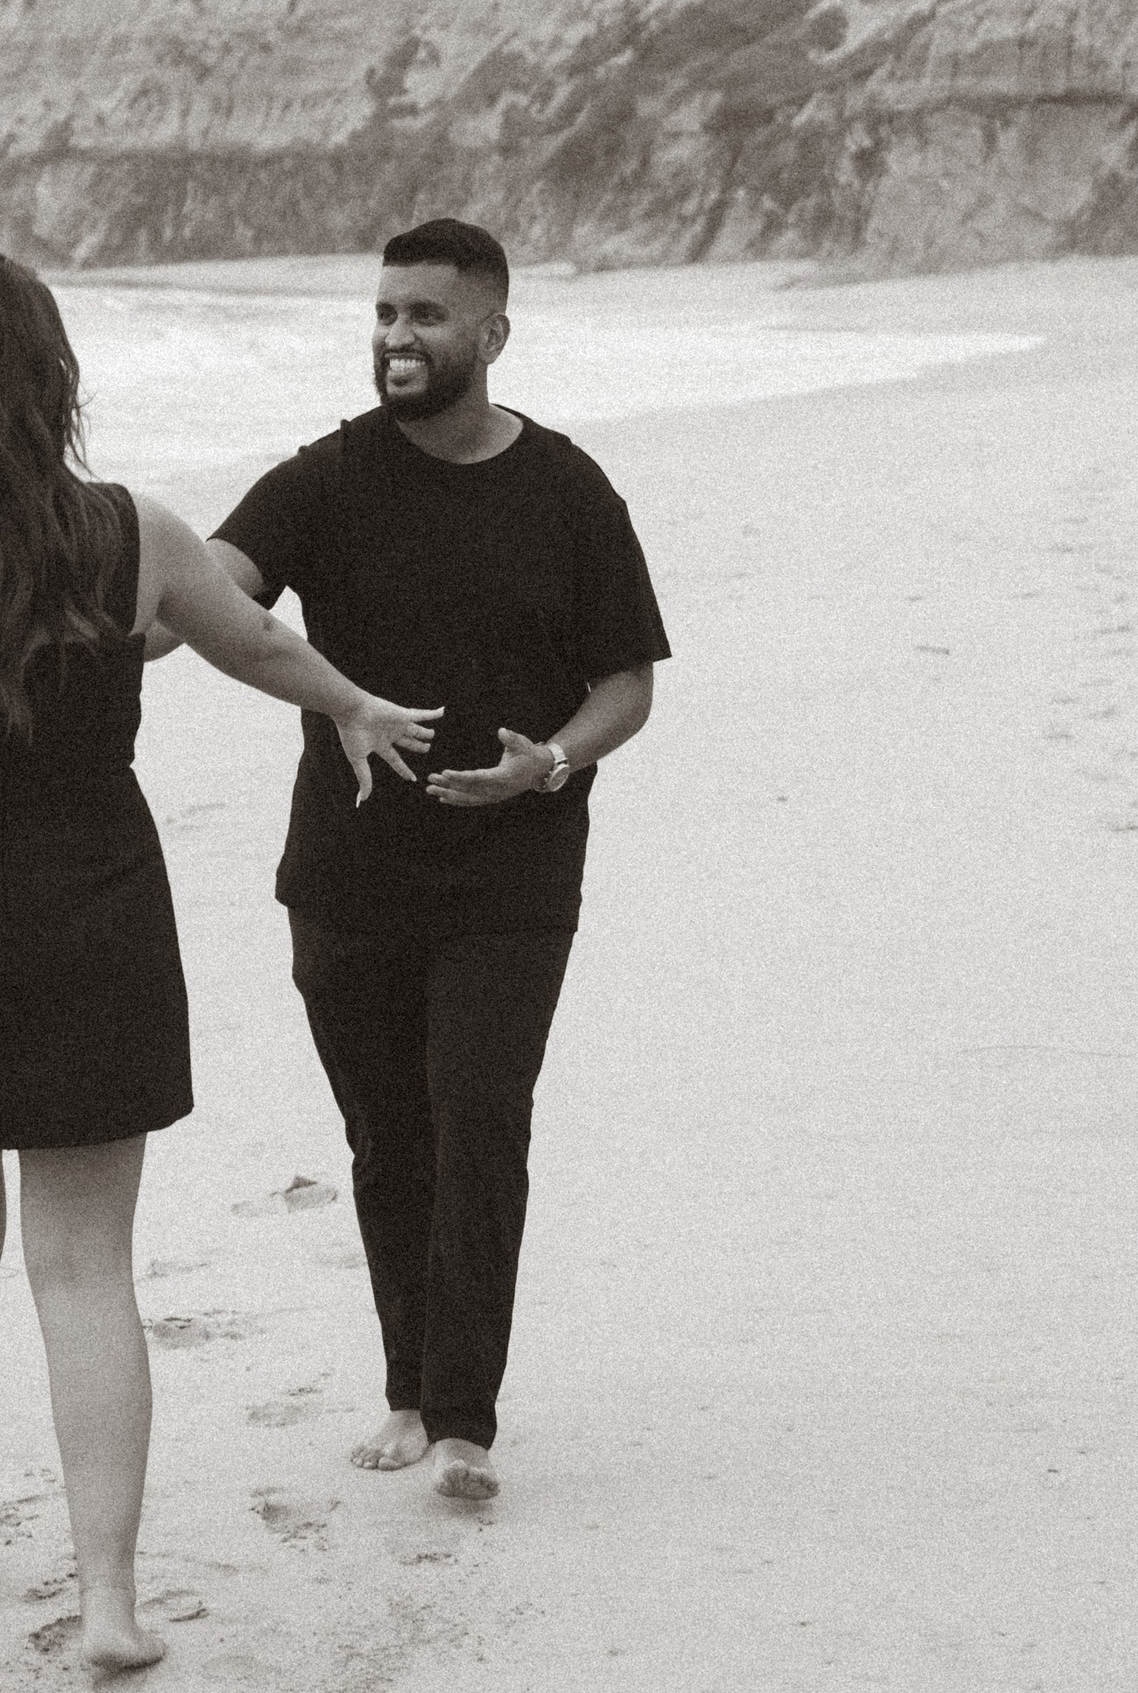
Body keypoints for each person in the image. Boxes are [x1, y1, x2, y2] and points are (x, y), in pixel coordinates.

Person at [0, 250, 438, 1676]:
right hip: (94, 917)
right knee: (87, 1267)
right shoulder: (131, 533)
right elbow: (260, 643)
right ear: (52, 378)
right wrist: (358, 705)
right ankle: (108, 1602)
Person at [185, 218, 669, 1508]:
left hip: (513, 879)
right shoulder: (330, 479)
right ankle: (407, 1389)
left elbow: (628, 682)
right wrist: (332, 695)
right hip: (346, 877)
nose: (399, 337)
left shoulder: (567, 490)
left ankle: (465, 1419)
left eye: (429, 318)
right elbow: (212, 592)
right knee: (386, 1140)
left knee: (480, 1130)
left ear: (494, 334)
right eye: (387, 313)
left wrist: (551, 763)